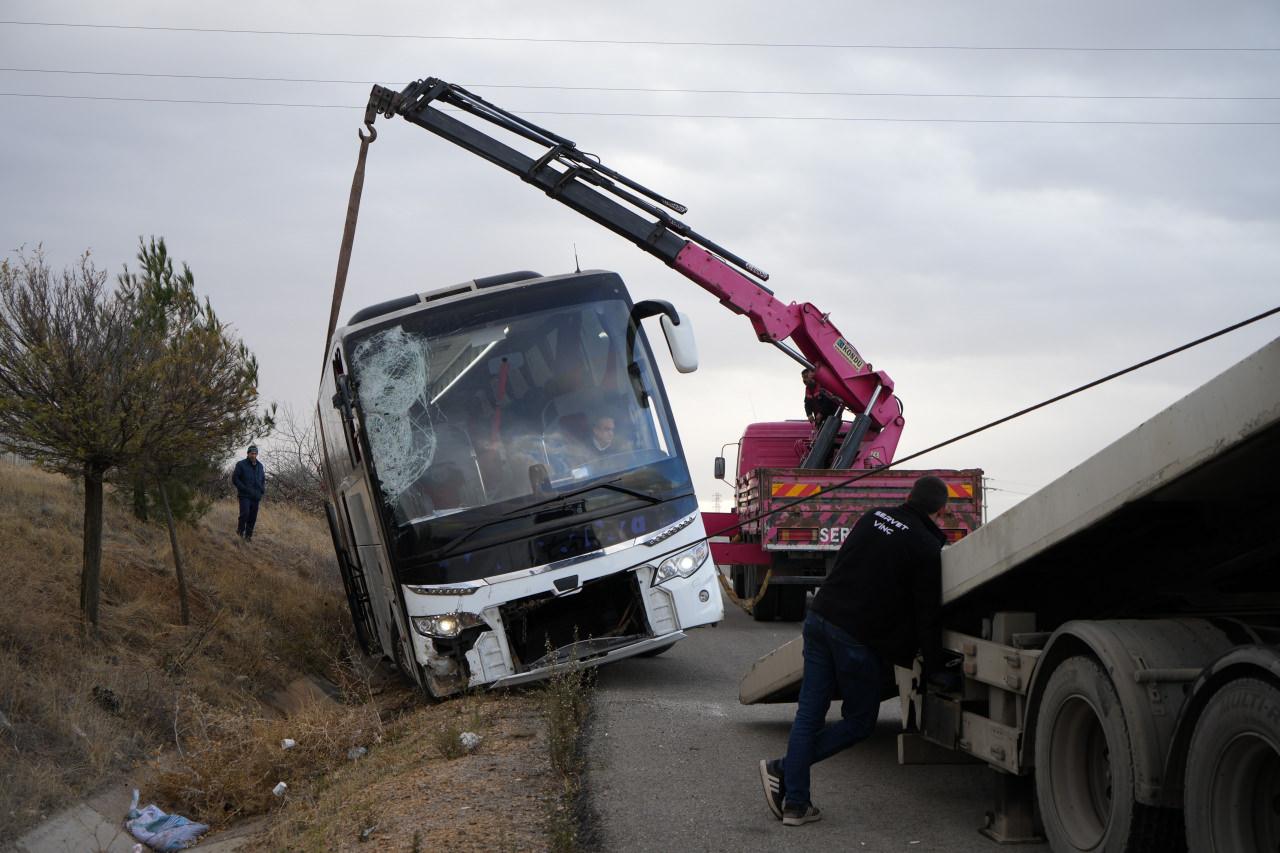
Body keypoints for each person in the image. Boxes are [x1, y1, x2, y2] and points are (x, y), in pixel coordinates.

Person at [758, 475, 950, 826]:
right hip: (855, 637)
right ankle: (784, 773)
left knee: (808, 716)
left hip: (819, 619)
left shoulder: (873, 515)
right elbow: (927, 615)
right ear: (941, 511)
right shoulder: (926, 547)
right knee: (860, 722)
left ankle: (795, 804)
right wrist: (935, 665)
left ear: (908, 496)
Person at [231, 444, 266, 541]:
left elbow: (262, 479)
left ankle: (248, 537)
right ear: (248, 453)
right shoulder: (241, 464)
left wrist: (262, 490)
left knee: (252, 517)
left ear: (257, 454)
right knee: (245, 514)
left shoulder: (260, 466)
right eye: (252, 453)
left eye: (255, 453)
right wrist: (243, 488)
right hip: (244, 495)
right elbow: (235, 479)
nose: (253, 455)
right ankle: (240, 532)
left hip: (256, 496)